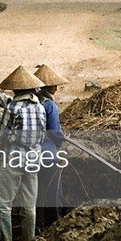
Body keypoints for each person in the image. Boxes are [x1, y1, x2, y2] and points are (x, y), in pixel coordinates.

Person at [0, 65, 47, 241]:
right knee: (30, 203)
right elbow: (43, 134)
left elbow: (4, 135)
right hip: (34, 156)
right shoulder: (40, 107)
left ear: (16, 89)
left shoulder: (13, 106)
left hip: (15, 155)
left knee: (3, 201)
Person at [33, 64, 68, 226]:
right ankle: (55, 224)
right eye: (54, 84)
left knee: (36, 193)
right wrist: (62, 140)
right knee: (54, 192)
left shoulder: (32, 101)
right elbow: (54, 131)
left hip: (31, 154)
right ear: (47, 86)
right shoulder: (49, 105)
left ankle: (38, 226)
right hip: (48, 154)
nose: (56, 88)